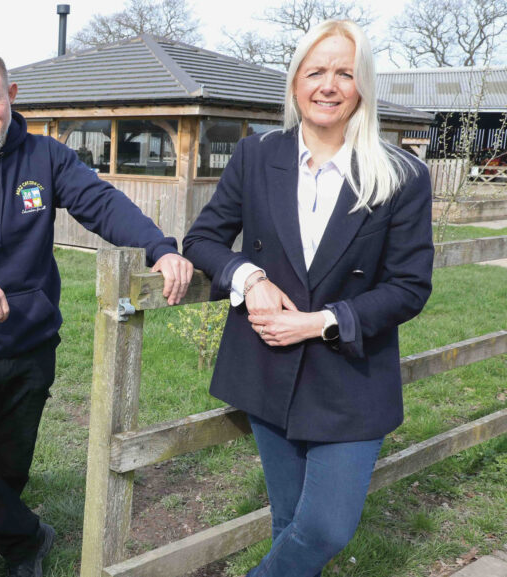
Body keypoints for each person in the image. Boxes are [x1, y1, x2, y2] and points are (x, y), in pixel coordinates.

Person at [0, 49, 193, 577]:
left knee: (12, 462)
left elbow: (101, 203)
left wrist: (158, 246)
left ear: (11, 96)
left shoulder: (45, 157)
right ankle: (29, 538)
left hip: (32, 342)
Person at [182, 20, 433, 577]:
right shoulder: (255, 156)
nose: (328, 85)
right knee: (289, 520)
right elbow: (201, 239)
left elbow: (410, 286)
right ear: (295, 82)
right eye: (315, 71)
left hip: (351, 379)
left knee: (325, 528)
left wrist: (322, 321)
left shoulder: (400, 174)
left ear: (362, 85)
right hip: (270, 367)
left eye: (344, 73)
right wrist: (249, 278)